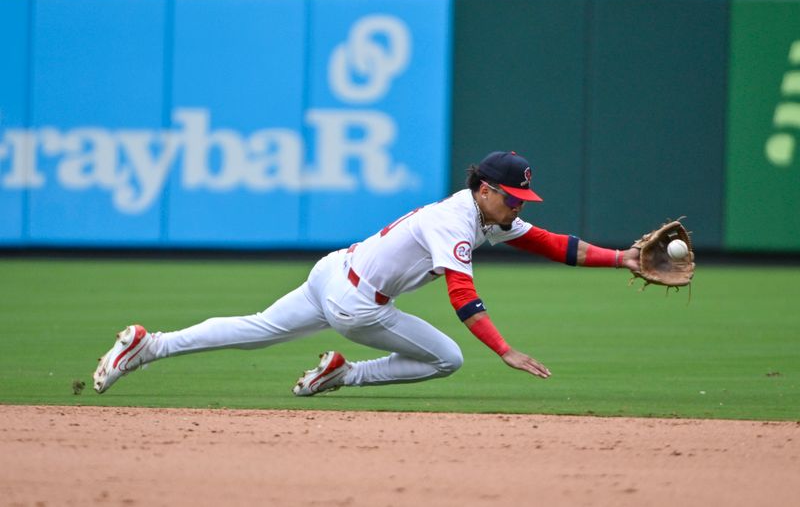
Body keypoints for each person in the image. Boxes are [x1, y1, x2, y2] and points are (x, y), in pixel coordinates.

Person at [93, 151, 641, 396]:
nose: (520, 206)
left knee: (256, 329)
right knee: (448, 359)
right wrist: (504, 350)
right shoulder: (455, 220)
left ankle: (147, 345)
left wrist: (622, 259)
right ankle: (346, 374)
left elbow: (552, 244)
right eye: (513, 197)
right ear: (485, 190)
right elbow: (462, 295)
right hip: (357, 304)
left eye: (523, 197)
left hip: (334, 272)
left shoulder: (484, 216)